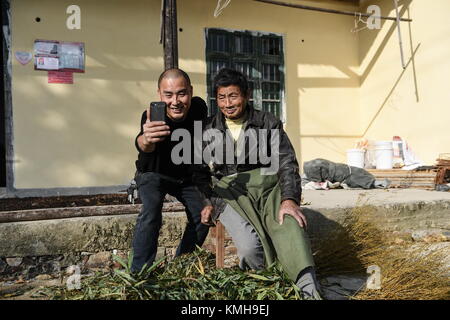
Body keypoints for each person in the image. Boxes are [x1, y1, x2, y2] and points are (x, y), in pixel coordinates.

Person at [200, 68, 322, 299]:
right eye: (222, 98)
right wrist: (206, 201)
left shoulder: (268, 123)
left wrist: (289, 199)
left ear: (246, 95)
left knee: (291, 229)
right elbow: (197, 173)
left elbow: (287, 162)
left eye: (233, 96)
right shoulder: (207, 129)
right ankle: (265, 290)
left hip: (269, 189)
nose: (227, 104)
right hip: (229, 195)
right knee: (249, 246)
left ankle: (307, 293)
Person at [131, 68, 213, 273]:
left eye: (181, 93)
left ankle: (179, 267)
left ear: (191, 92)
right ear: (159, 94)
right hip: (153, 173)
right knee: (151, 211)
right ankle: (140, 274)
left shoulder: (199, 108)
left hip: (186, 177)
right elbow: (144, 144)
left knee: (202, 216)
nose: (175, 101)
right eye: (168, 95)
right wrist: (146, 139)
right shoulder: (151, 116)